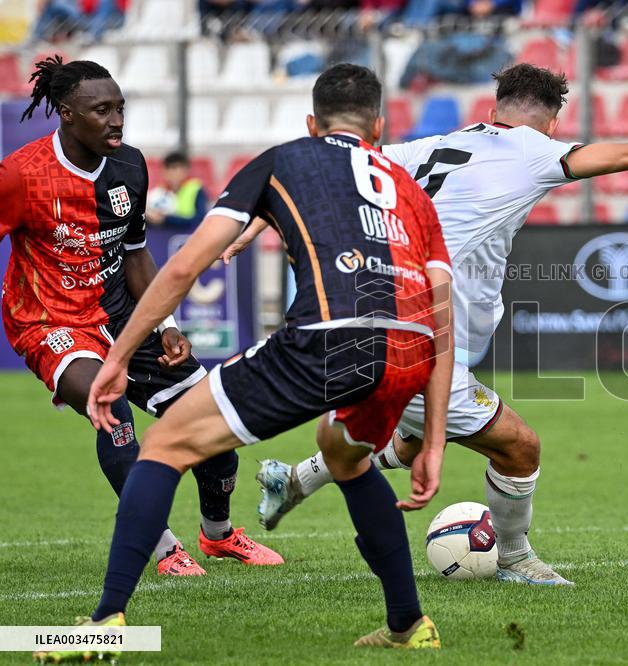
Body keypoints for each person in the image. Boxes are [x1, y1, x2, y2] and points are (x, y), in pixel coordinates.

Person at [238, 62, 628, 585]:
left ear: (491, 111)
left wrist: (247, 222)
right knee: (520, 447)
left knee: (406, 440)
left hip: (391, 327)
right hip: (417, 338)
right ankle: (513, 555)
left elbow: (321, 171)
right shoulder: (534, 151)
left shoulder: (425, 146)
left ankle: (292, 480)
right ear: (552, 126)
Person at [35, 63, 454, 662]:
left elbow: (182, 268)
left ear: (312, 123)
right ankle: (409, 623)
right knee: (343, 454)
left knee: (163, 447)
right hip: (407, 353)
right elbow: (443, 319)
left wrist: (119, 354)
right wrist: (433, 437)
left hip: (327, 341)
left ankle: (104, 624)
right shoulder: (412, 192)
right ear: (379, 127)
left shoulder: (285, 158)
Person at [0, 56, 283, 579]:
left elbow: (135, 253)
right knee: (110, 405)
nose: (116, 120)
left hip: (125, 317)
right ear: (65, 113)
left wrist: (167, 324)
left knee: (215, 425)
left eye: (120, 109)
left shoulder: (130, 165)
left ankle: (217, 536)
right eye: (100, 110)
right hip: (51, 323)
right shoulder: (21, 175)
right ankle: (162, 546)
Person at [145, 151, 208, 228]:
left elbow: (200, 220)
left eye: (175, 168)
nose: (171, 172)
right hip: (163, 236)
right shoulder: (158, 191)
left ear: (186, 170)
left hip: (187, 236)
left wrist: (166, 219)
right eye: (168, 168)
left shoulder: (196, 189)